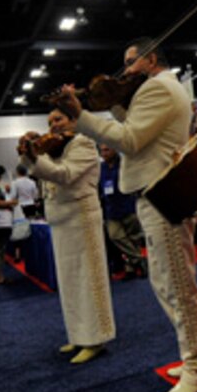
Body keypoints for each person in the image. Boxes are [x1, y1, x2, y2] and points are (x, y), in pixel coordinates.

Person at [55, 38, 197, 392]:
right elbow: (134, 126)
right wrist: (111, 101)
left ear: (152, 59)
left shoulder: (158, 89)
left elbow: (128, 140)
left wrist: (81, 116)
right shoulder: (161, 89)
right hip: (158, 191)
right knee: (171, 281)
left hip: (160, 192)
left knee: (175, 283)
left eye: (131, 62)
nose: (125, 71)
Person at [19, 109, 116, 365]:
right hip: (61, 222)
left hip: (82, 218)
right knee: (69, 281)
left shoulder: (82, 143)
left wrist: (33, 157)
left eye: (59, 119)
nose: (53, 125)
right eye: (49, 122)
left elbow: (64, 175)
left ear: (73, 121)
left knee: (89, 279)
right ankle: (78, 334)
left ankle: (96, 339)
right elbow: (47, 177)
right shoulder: (55, 150)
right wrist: (31, 156)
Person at [98, 144, 146, 279]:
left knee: (134, 238)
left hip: (128, 205)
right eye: (101, 151)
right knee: (115, 236)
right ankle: (140, 260)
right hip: (110, 209)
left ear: (115, 150)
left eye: (107, 150)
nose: (104, 153)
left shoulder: (125, 163)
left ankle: (131, 268)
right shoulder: (100, 168)